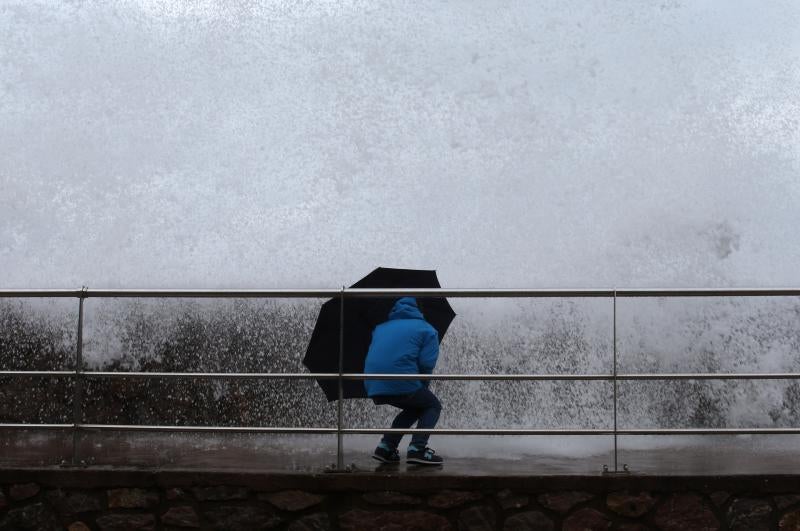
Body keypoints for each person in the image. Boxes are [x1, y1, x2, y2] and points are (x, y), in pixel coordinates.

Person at [363, 297, 444, 466]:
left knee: (414, 407)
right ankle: (418, 448)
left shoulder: (380, 328)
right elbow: (426, 363)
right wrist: (424, 385)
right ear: (420, 311)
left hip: (373, 383)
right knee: (432, 405)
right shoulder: (427, 330)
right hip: (401, 381)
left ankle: (386, 447)